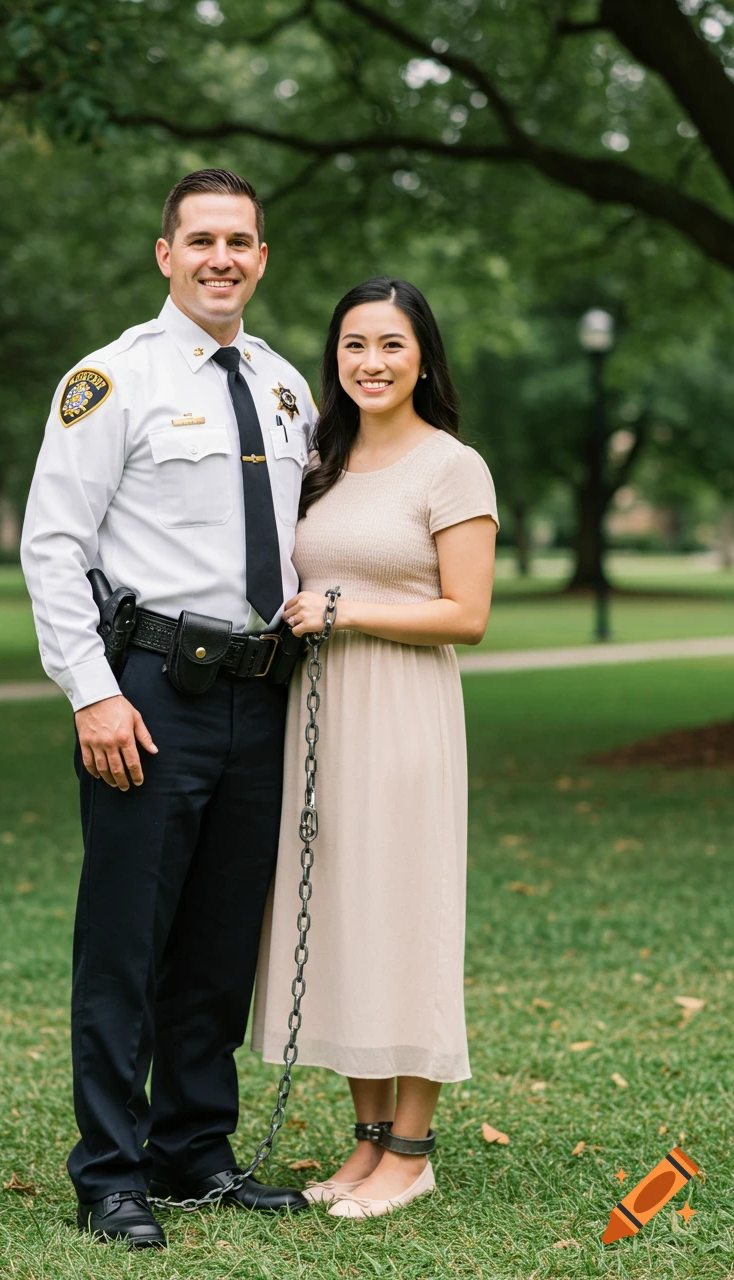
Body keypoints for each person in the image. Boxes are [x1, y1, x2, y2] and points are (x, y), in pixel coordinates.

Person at [21, 169, 314, 1249]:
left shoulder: (289, 387)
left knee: (217, 939)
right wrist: (90, 692)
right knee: (126, 937)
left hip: (259, 691)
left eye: (239, 240)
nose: (221, 257)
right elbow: (52, 543)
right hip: (146, 690)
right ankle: (109, 1170)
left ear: (261, 257)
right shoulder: (111, 378)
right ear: (165, 254)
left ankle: (194, 1150)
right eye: (200, 239)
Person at [252, 277, 499, 1219]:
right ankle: (364, 1145)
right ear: (336, 359)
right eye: (354, 345)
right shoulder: (319, 458)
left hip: (404, 713)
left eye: (391, 345)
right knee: (344, 912)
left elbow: (467, 615)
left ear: (423, 357)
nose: (372, 363)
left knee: (406, 913)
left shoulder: (452, 466)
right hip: (317, 713)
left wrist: (347, 610)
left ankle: (413, 1150)